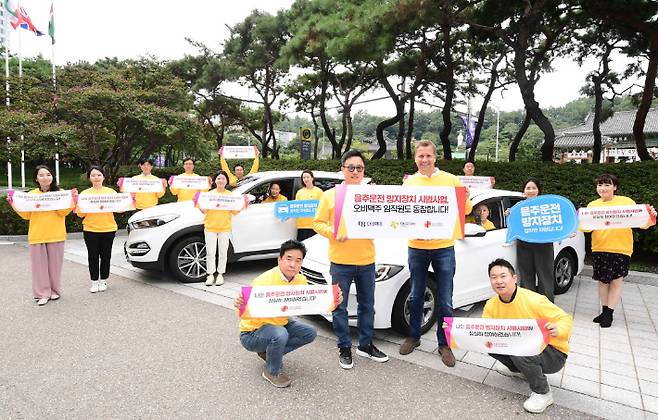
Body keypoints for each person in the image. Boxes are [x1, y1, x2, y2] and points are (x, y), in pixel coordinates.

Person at [399, 140, 473, 368]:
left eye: (428, 156)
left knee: (445, 299)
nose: (424, 160)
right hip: (417, 247)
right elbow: (400, 211)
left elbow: (467, 210)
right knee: (416, 294)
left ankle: (444, 343)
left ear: (435, 157)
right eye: (420, 156)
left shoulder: (451, 180)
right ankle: (414, 336)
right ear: (415, 158)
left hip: (443, 247)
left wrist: (466, 197)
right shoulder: (409, 183)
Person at [313, 150, 389, 369]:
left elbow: (384, 219)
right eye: (351, 167)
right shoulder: (330, 195)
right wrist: (333, 232)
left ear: (364, 171)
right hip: (340, 261)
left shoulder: (372, 194)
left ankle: (365, 345)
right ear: (342, 169)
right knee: (339, 307)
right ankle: (344, 347)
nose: (356, 172)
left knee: (367, 305)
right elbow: (317, 223)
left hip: (367, 259)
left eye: (360, 168)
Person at [235, 240, 341, 388]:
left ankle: (270, 354)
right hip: (252, 333)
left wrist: (333, 301)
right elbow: (242, 313)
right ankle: (272, 371)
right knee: (280, 334)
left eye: (298, 260)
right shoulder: (263, 281)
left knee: (309, 332)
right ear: (280, 259)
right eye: (289, 259)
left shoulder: (301, 280)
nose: (293, 264)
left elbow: (310, 303)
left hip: (280, 323)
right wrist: (239, 303)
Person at [482, 258, 572, 414]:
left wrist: (558, 329)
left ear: (514, 278)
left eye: (503, 276)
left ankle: (543, 392)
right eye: (494, 277)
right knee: (490, 345)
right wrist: (456, 332)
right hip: (523, 347)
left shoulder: (533, 300)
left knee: (520, 350)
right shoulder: (491, 305)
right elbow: (485, 331)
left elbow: (565, 318)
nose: (499, 281)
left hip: (554, 353)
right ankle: (519, 370)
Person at [584, 173, 657, 328]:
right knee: (603, 281)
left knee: (616, 280)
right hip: (599, 247)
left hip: (621, 248)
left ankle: (609, 313)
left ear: (615, 187)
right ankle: (604, 310)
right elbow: (586, 227)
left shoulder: (626, 202)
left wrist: (650, 215)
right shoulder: (592, 206)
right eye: (600, 185)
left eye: (607, 185)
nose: (603, 188)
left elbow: (641, 222)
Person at [7, 165, 74, 306]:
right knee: (39, 267)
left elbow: (63, 213)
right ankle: (42, 293)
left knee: (55, 266)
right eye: (41, 175)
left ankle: (55, 291)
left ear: (53, 176)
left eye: (48, 174)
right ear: (36, 179)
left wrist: (72, 200)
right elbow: (26, 215)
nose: (45, 177)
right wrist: (13, 203)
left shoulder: (60, 193)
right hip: (37, 235)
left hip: (56, 234)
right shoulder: (31, 195)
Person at [508, 178, 556, 302]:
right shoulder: (518, 207)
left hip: (543, 244)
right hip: (524, 244)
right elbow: (513, 225)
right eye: (528, 188)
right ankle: (528, 305)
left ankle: (546, 306)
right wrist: (509, 214)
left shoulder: (546, 206)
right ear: (523, 191)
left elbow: (556, 222)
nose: (531, 190)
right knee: (525, 276)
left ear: (538, 190)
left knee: (545, 276)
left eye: (534, 188)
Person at [76, 166, 120, 293]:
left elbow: (119, 209)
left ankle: (103, 280)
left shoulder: (111, 192)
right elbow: (80, 214)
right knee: (93, 256)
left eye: (99, 175)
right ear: (89, 178)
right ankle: (94, 281)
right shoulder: (85, 194)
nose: (96, 177)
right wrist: (77, 204)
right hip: (90, 229)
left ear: (103, 177)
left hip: (108, 228)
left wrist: (131, 200)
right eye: (93, 175)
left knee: (106, 256)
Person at [199, 171, 242, 286]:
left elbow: (235, 211)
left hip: (224, 228)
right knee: (210, 252)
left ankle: (220, 274)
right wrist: (199, 203)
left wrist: (243, 204)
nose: (221, 180)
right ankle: (210, 275)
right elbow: (204, 211)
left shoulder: (231, 195)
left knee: (223, 253)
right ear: (215, 181)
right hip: (210, 227)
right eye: (218, 178)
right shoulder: (209, 194)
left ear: (226, 181)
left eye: (223, 178)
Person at [295, 170, 323, 241]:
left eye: (307, 177)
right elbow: (295, 208)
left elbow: (323, 208)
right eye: (304, 178)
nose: (306, 179)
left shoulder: (319, 191)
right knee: (302, 248)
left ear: (312, 178)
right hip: (301, 226)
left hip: (314, 225)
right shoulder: (299, 192)